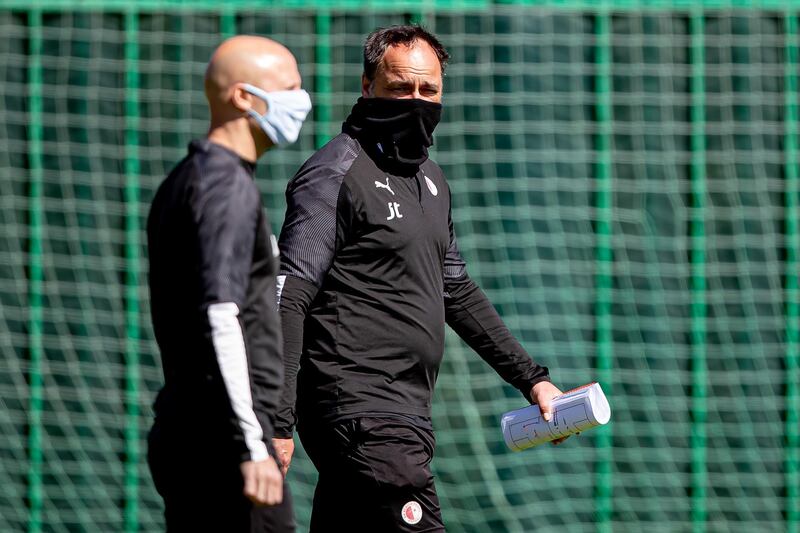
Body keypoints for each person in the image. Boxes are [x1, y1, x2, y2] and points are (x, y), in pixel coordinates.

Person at [272, 25, 567, 532]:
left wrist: (533, 379)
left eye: (427, 90)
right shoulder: (334, 174)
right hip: (363, 413)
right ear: (367, 87)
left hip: (405, 412)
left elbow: (455, 288)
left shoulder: (430, 179)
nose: (415, 101)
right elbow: (288, 294)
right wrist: (275, 420)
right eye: (400, 88)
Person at [146, 35, 311, 532]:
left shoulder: (187, 180)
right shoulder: (226, 189)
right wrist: (250, 446)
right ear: (243, 97)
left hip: (193, 436)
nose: (300, 102)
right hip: (222, 447)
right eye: (289, 88)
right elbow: (220, 316)